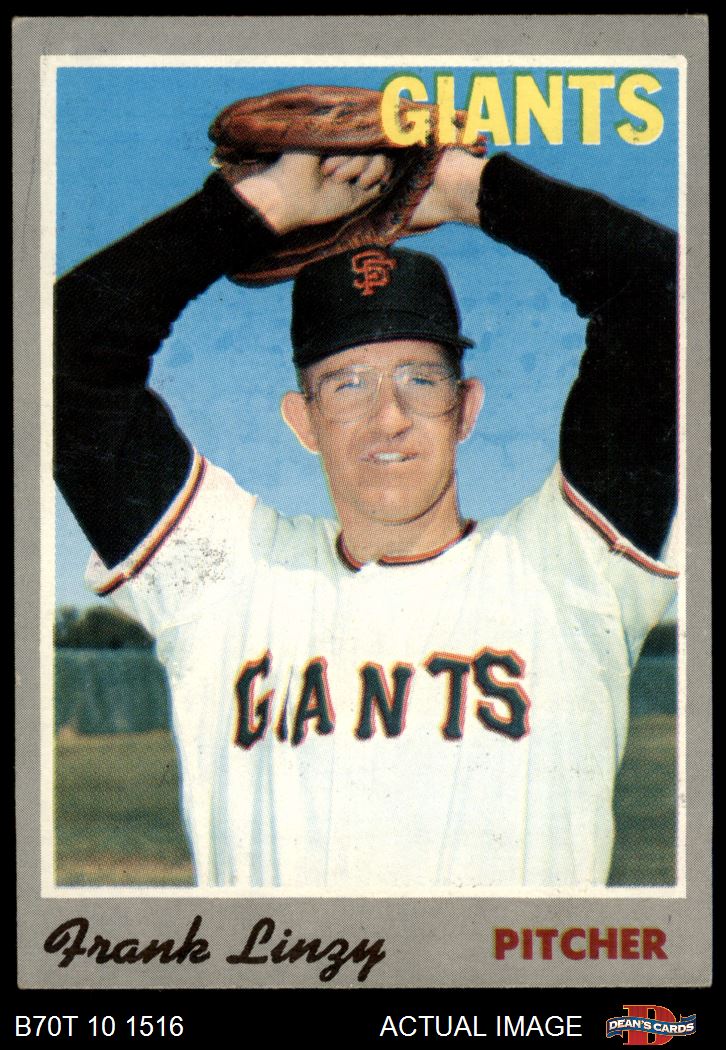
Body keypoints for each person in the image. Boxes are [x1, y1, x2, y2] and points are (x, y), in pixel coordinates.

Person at [55, 132, 678, 891]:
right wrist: (261, 206)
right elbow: (60, 355)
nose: (389, 418)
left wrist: (463, 188)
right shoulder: (226, 577)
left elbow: (667, 293)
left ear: (466, 407)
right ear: (303, 421)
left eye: (420, 379)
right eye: (347, 385)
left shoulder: (570, 569)